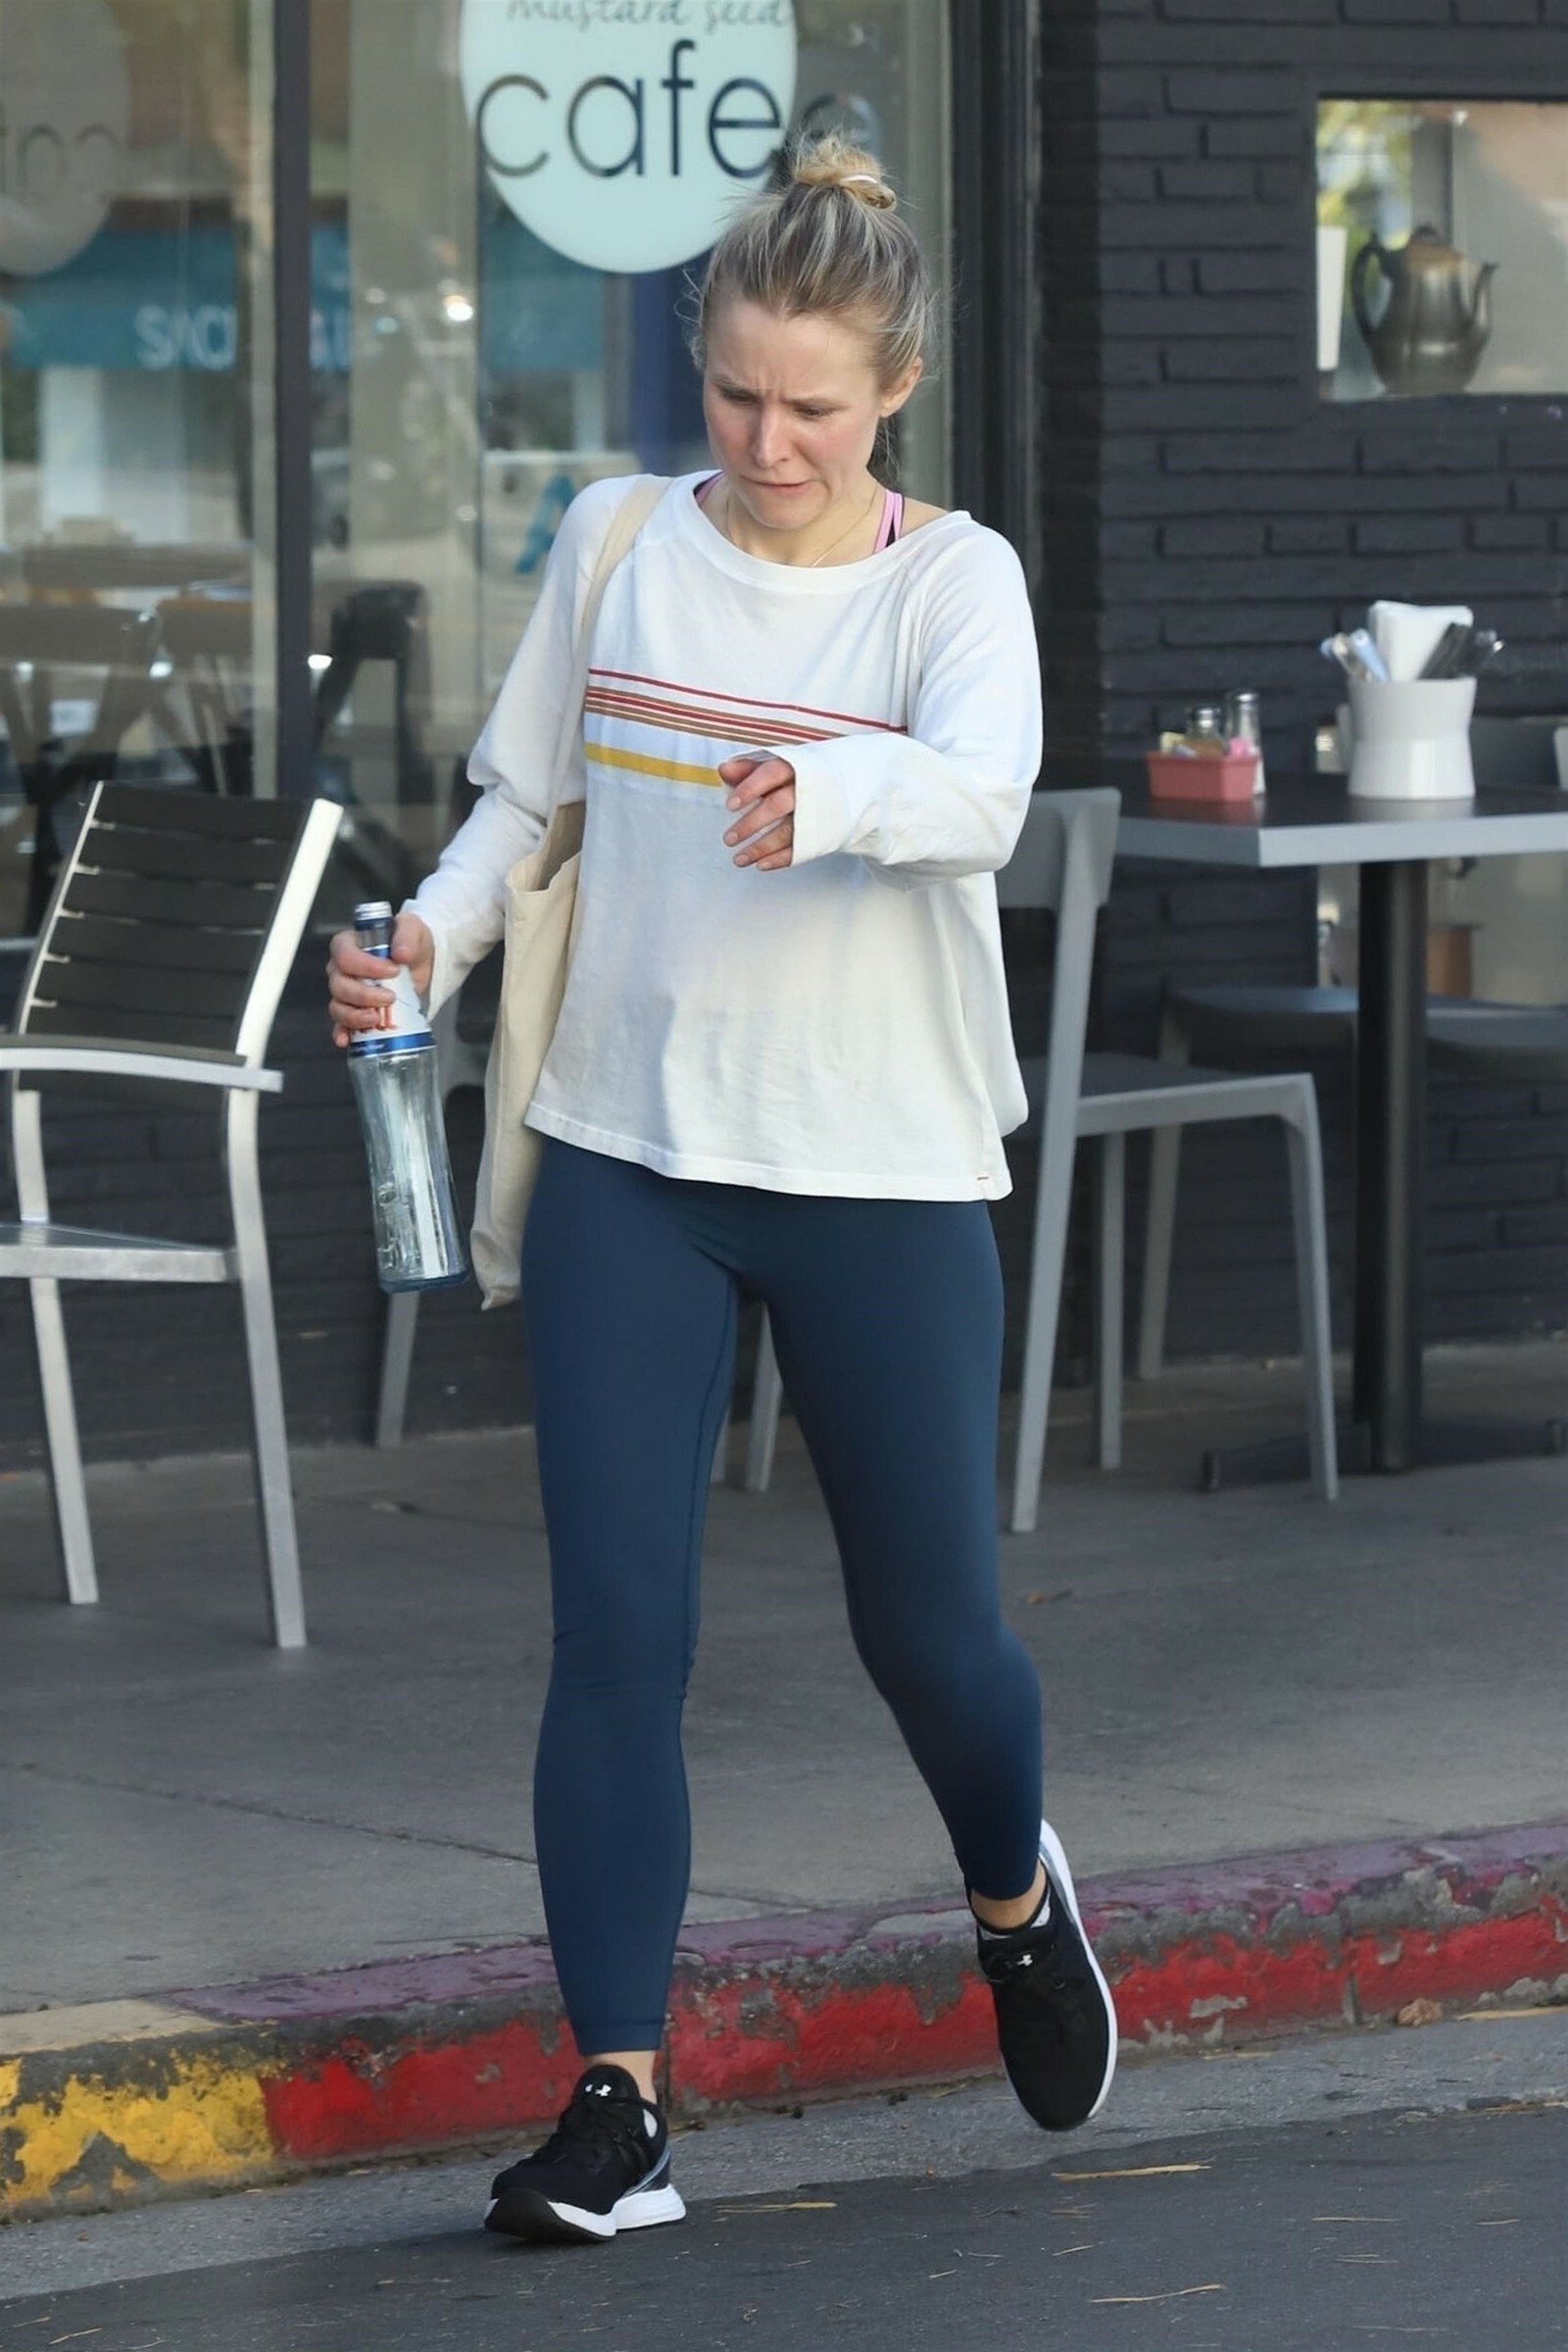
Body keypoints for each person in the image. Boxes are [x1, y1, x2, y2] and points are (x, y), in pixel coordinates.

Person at [327, 135, 1116, 2249]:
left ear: (897, 390)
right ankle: (621, 2106)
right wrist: (424, 944)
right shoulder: (616, 543)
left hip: (877, 1166)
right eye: (737, 393)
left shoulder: (953, 585)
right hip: (632, 1158)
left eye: (813, 409)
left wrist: (828, 789)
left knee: (930, 1635)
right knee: (616, 1635)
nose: (767, 444)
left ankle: (1014, 1894)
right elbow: (526, 805)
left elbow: (982, 793)